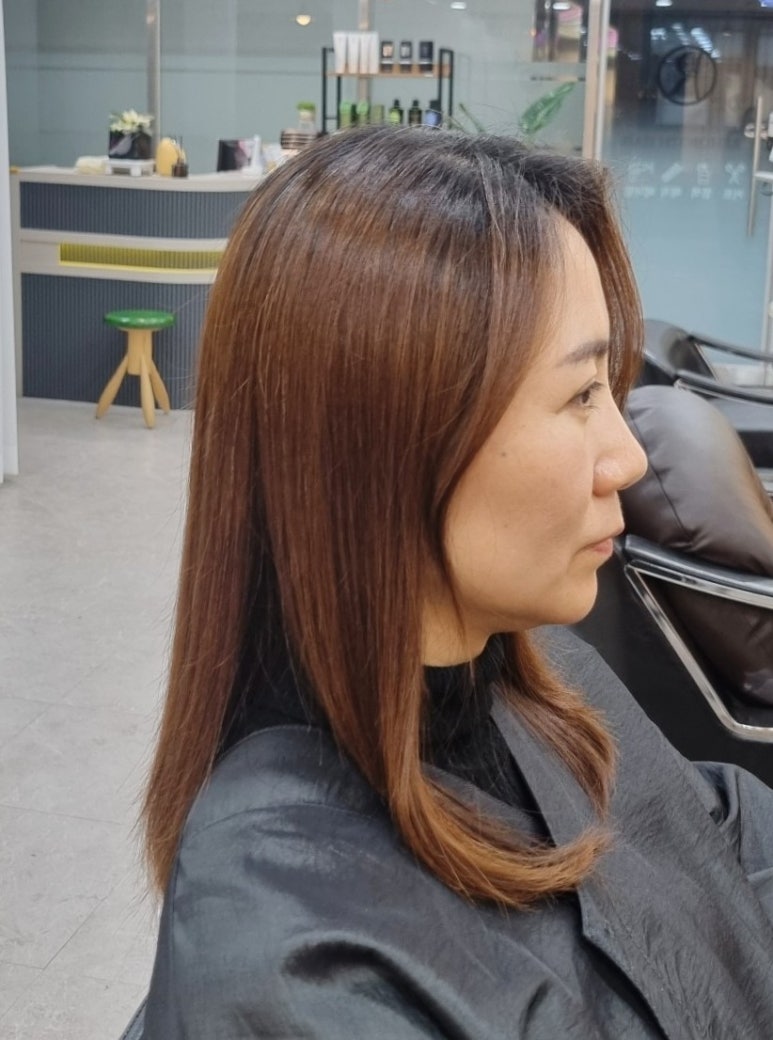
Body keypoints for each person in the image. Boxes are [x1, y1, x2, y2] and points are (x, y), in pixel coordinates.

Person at [139, 127, 773, 1038]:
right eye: (579, 395)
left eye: (610, 387)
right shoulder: (297, 957)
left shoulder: (541, 679)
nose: (628, 459)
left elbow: (714, 840)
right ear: (388, 442)